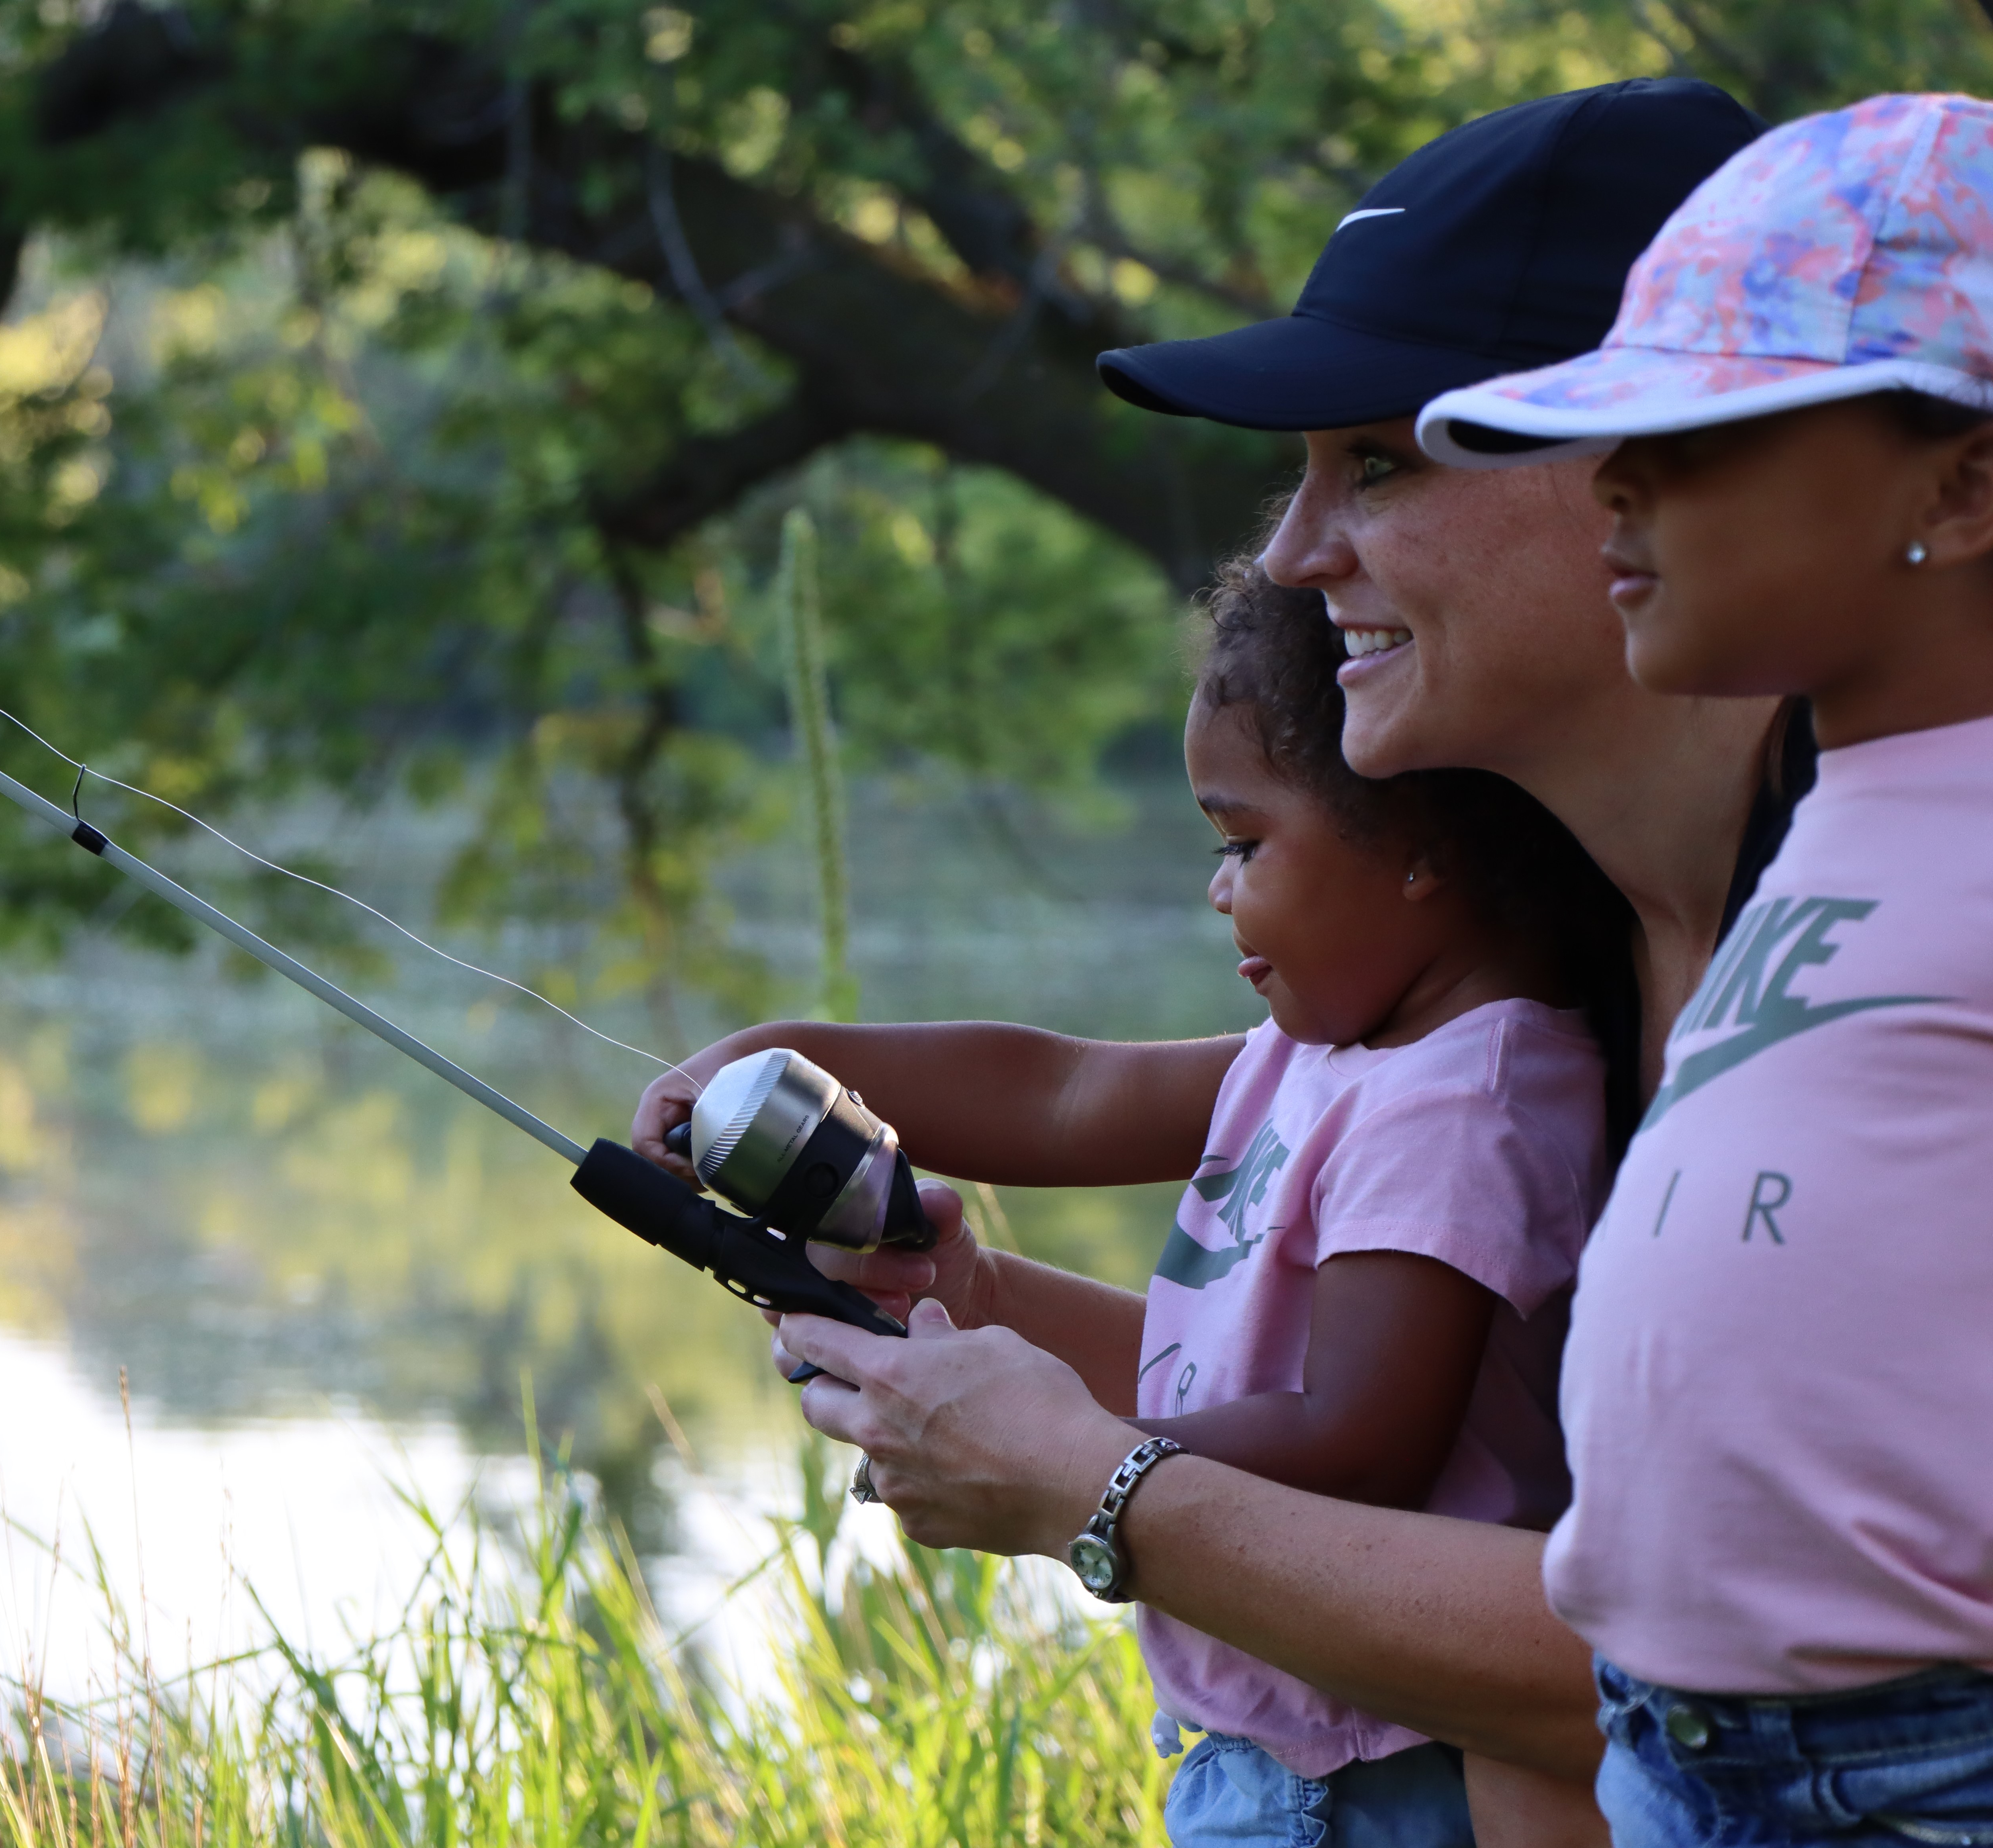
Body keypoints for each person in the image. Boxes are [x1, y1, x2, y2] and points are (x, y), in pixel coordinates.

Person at [633, 78, 1787, 1848]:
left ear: (1654, 458)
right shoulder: (1581, 973)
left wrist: (1102, 1488)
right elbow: (1091, 1111)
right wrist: (974, 1316)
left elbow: (1735, 1668)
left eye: (1378, 459)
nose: (1288, 549)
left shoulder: (1873, 982)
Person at [640, 564, 1621, 1846]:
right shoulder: (1331, 1056)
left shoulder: (1463, 1104)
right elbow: (1061, 1090)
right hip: (1287, 1752)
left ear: (1427, 854)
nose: (1219, 889)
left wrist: (1052, 1458)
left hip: (1374, 1781)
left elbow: (1360, 1442)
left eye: (1244, 841)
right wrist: (778, 1060)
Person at [1413, 92, 1993, 1845]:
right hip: (1680, 1756)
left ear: (1963, 485)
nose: (1615, 481)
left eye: (1703, 431)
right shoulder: (1842, 800)